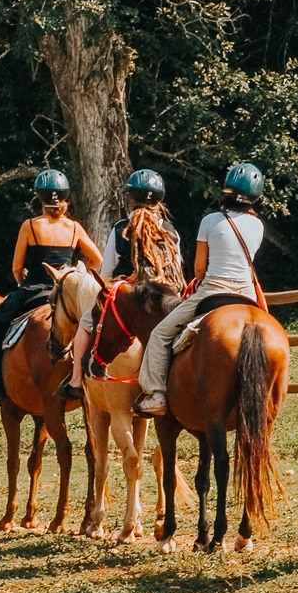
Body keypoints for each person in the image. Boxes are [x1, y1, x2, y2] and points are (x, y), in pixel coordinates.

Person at [135, 163, 266, 418]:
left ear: (226, 190)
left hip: (213, 291)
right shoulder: (258, 226)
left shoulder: (210, 220)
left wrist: (202, 279)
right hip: (247, 295)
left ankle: (156, 395)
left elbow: (198, 270)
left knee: (160, 334)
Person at [58, 169, 184, 401]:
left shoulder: (120, 229)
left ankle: (76, 380)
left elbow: (106, 273)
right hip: (164, 298)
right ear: (159, 199)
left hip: (126, 299)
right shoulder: (170, 231)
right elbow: (176, 269)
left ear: (131, 199)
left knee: (86, 324)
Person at [0, 170, 102, 404]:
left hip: (33, 289)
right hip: (67, 293)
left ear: (39, 197)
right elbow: (96, 259)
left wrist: (21, 281)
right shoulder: (74, 227)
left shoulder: (30, 225)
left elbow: (17, 266)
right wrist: (77, 274)